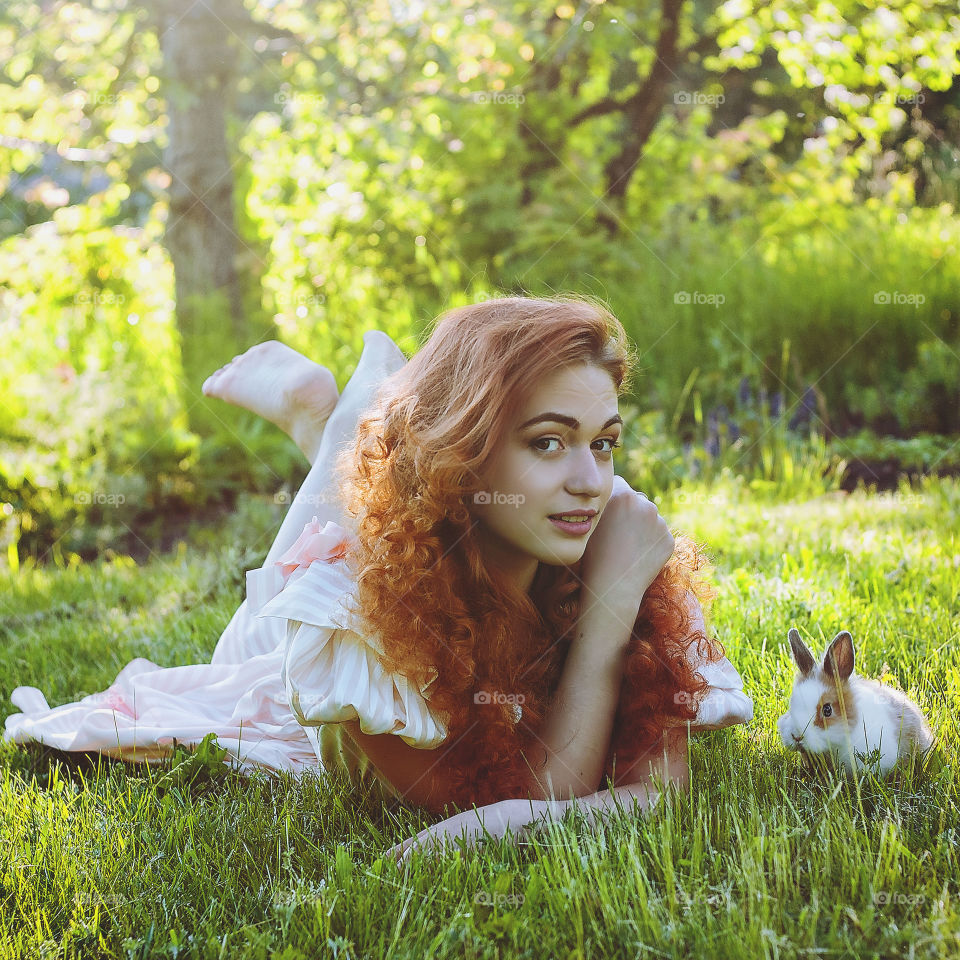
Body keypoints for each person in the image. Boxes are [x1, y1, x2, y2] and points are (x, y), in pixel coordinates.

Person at [4, 296, 753, 863]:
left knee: (352, 520)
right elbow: (510, 800)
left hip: (429, 519)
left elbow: (654, 798)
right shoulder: (361, 615)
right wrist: (602, 633)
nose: (591, 482)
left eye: (605, 442)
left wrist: (616, 601)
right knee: (249, 647)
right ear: (465, 453)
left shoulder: (623, 543)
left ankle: (336, 422)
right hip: (303, 665)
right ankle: (333, 424)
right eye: (548, 442)